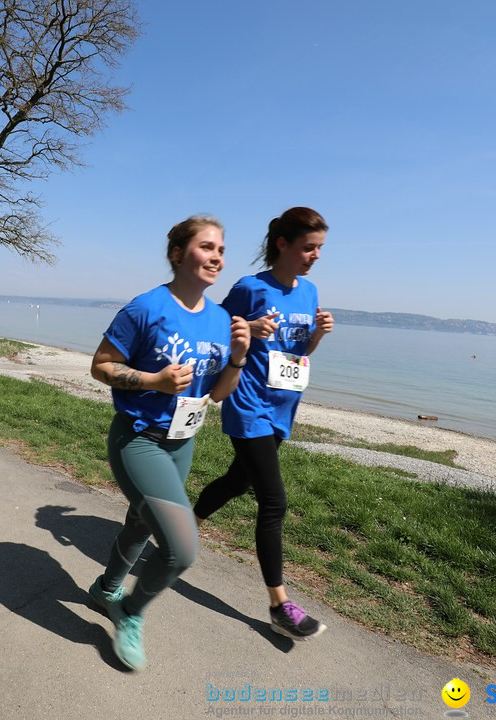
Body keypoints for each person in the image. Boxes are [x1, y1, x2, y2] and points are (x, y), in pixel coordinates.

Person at [87, 215, 250, 671]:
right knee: (182, 548)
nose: (217, 256)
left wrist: (237, 358)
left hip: (183, 441)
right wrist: (152, 380)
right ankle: (130, 613)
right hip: (138, 439)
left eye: (221, 249)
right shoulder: (146, 308)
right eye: (206, 247)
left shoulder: (221, 320)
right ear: (178, 254)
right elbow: (100, 366)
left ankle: (105, 590)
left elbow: (217, 393)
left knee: (141, 524)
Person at [192, 206, 334, 641]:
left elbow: (297, 353)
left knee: (238, 481)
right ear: (283, 244)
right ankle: (280, 605)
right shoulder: (250, 287)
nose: (315, 256)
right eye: (309, 248)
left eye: (320, 249)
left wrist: (318, 336)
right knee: (274, 503)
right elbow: (216, 331)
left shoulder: (308, 292)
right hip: (248, 402)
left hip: (281, 407)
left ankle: (180, 528)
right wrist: (248, 327)